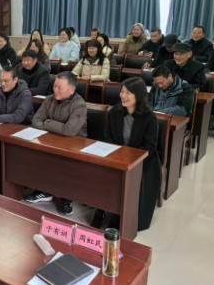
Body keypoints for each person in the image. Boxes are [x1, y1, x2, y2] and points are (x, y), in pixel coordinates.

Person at [96, 78, 161, 231]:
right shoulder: (115, 112)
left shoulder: (149, 117)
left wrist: (128, 159)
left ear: (138, 95)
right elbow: (108, 137)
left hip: (143, 162)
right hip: (117, 158)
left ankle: (127, 219)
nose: (123, 96)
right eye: (122, 91)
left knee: (133, 182)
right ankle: (105, 213)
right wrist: (117, 157)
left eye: (128, 93)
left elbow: (150, 146)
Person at [29, 72, 88, 215]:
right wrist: (54, 127)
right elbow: (35, 121)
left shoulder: (79, 105)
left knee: (66, 162)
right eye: (54, 86)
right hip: (51, 139)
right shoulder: (49, 99)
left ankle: (67, 197)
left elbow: (69, 130)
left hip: (74, 144)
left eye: (59, 88)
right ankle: (45, 190)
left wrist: (48, 123)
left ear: (72, 89)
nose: (55, 90)